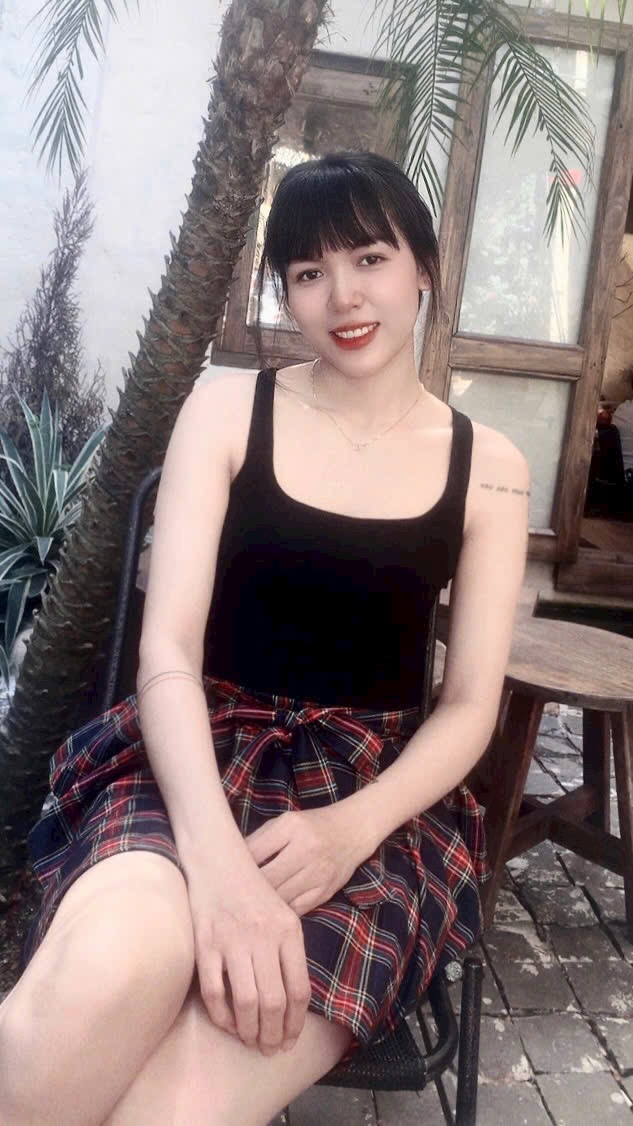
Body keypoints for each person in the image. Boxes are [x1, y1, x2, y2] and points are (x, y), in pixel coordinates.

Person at [0, 151, 529, 1126]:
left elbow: (467, 708)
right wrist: (218, 871)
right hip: (195, 750)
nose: (344, 296)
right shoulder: (227, 407)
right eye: (309, 271)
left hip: (368, 801)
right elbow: (167, 650)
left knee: (180, 1108)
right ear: (284, 289)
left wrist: (349, 830)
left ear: (423, 265)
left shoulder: (488, 467)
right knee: (108, 970)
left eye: (369, 258)